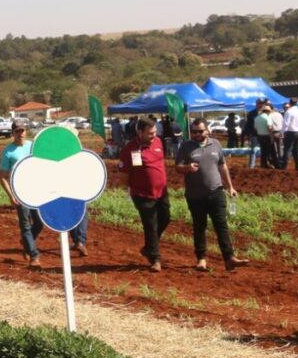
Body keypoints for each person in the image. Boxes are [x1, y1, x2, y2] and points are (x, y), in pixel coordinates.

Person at [175, 119, 248, 271]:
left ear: (207, 130)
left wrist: (230, 187)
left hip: (216, 191)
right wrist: (187, 168)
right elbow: (178, 167)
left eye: (200, 131)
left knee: (221, 225)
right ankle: (201, 259)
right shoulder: (186, 146)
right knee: (199, 226)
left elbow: (222, 166)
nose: (196, 134)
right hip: (195, 195)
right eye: (194, 132)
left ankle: (229, 258)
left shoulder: (215, 144)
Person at [119, 116, 168, 272]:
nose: (153, 136)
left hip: (161, 192)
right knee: (151, 225)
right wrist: (136, 187)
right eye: (150, 133)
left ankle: (148, 247)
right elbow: (123, 177)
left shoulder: (158, 142)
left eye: (154, 132)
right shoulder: (130, 149)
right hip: (142, 195)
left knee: (166, 218)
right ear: (139, 132)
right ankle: (155, 259)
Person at [0, 118, 44, 267]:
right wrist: (11, 195)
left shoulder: (33, 147)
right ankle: (34, 255)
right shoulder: (8, 152)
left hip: (35, 190)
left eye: (22, 130)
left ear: (26, 131)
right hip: (19, 192)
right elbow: (2, 177)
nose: (20, 133)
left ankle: (26, 241)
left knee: (39, 222)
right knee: (25, 225)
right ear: (13, 133)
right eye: (17, 131)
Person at [281, 98, 298, 171]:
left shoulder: (289, 112)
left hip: (291, 132)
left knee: (287, 149)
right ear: (296, 103)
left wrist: (283, 132)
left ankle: (284, 167)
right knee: (296, 150)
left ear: (290, 103)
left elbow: (286, 124)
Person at [253, 104, 278, 169]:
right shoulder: (268, 117)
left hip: (260, 136)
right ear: (268, 111)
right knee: (272, 151)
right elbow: (269, 128)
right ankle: (276, 165)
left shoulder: (256, 118)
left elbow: (255, 128)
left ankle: (263, 165)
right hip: (267, 136)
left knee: (263, 151)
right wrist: (272, 137)